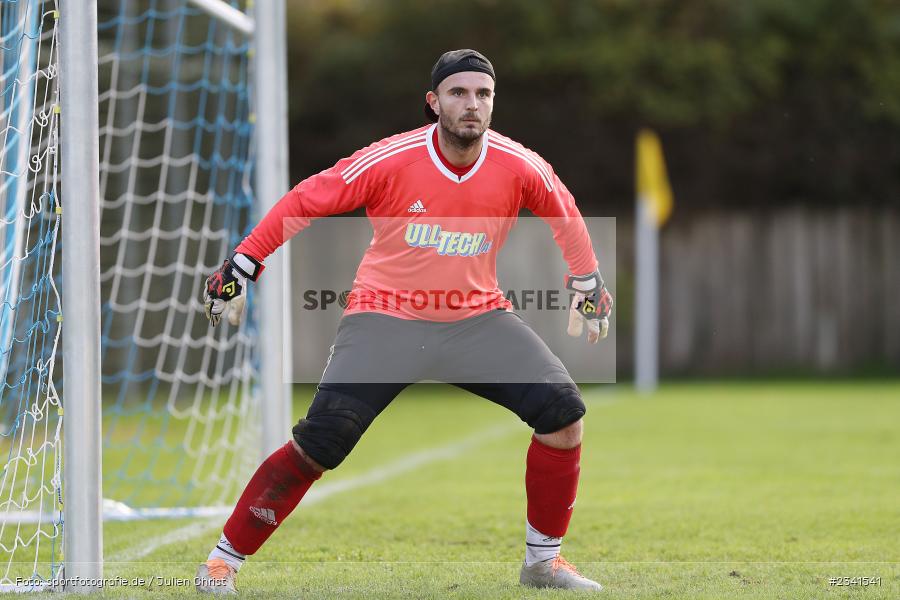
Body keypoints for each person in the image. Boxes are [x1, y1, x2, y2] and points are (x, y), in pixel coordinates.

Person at [197, 49, 613, 594]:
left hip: (475, 320)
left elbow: (565, 214)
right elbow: (308, 198)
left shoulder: (520, 165)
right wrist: (243, 263)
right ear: (433, 101)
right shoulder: (392, 160)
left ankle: (543, 563)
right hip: (385, 319)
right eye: (459, 93)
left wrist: (587, 283)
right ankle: (221, 562)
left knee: (564, 415)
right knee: (322, 441)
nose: (471, 104)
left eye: (482, 94)